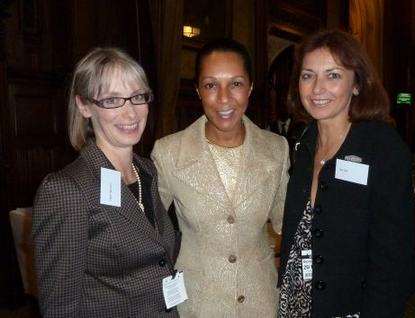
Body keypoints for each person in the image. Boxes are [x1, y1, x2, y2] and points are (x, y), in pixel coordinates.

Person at [278, 29, 415, 318]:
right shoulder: (304, 142)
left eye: (333, 75)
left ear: (356, 84)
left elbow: (395, 261)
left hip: (353, 308)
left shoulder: (382, 148)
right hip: (297, 301)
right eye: (308, 75)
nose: (317, 88)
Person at [32, 48, 179, 317]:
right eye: (112, 100)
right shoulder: (66, 190)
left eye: (137, 97)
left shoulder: (146, 170)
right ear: (84, 106)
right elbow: (59, 308)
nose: (131, 113)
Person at [151, 38, 290, 317]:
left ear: (250, 87)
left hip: (260, 302)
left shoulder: (276, 149)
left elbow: (286, 221)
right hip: (198, 303)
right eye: (211, 85)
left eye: (236, 84)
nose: (224, 98)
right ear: (198, 90)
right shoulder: (169, 153)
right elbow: (147, 232)